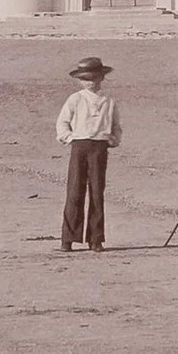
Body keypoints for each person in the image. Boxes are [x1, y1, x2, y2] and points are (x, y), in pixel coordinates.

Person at [54, 56, 122, 252]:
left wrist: (112, 140)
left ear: (101, 79)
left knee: (97, 191)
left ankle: (96, 239)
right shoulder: (75, 99)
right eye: (86, 79)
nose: (90, 82)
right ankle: (68, 238)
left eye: (94, 78)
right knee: (75, 190)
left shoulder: (109, 101)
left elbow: (116, 126)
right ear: (80, 81)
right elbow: (62, 122)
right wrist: (69, 138)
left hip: (100, 147)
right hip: (80, 145)